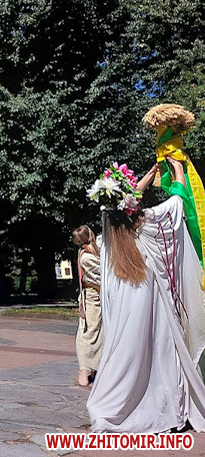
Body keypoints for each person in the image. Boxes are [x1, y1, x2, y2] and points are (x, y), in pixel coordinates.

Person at [87, 159, 205, 432]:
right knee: (161, 354)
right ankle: (165, 407)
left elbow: (123, 205)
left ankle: (115, 407)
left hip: (125, 318)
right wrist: (178, 170)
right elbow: (176, 204)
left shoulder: (110, 238)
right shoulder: (146, 229)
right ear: (131, 207)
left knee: (129, 358)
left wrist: (150, 174)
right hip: (154, 309)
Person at [71, 225, 102, 387]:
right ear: (89, 235)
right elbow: (101, 275)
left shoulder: (94, 250)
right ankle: (84, 370)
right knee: (88, 331)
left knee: (102, 332)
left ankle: (96, 369)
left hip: (99, 296)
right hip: (91, 297)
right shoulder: (86, 257)